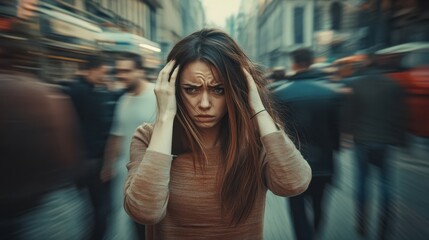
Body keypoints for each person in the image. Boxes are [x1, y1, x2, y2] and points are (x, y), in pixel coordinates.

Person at [123, 29, 312, 239]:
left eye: (218, 90)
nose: (204, 104)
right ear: (173, 89)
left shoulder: (256, 139)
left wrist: (258, 107)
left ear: (234, 90)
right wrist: (165, 118)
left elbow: (295, 184)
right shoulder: (148, 138)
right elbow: (144, 211)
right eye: (191, 89)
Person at [0, 16, 83, 239]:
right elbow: (70, 160)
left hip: (35, 212)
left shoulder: (17, 92)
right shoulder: (51, 95)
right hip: (53, 208)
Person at [271, 48, 340, 240]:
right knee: (319, 205)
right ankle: (315, 234)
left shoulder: (280, 94)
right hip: (324, 163)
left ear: (294, 64)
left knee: (297, 209)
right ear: (312, 61)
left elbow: (276, 132)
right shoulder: (330, 93)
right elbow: (336, 134)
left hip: (294, 163)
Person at [345, 55, 406, 239]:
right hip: (385, 141)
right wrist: (401, 139)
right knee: (386, 182)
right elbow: (400, 115)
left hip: (362, 140)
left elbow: (349, 114)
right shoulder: (393, 85)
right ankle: (385, 220)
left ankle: (362, 220)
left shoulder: (356, 85)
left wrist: (347, 134)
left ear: (365, 65)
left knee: (362, 181)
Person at [101, 53, 157, 239]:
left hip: (150, 175)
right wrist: (108, 165)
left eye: (126, 70)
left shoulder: (157, 96)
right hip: (124, 175)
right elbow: (116, 136)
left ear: (140, 71)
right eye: (118, 71)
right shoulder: (123, 101)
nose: (121, 75)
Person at [65, 55, 119, 240]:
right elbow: (101, 123)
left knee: (90, 206)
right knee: (101, 207)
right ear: (91, 70)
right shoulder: (83, 92)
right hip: (93, 159)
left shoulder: (77, 89)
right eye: (103, 73)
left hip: (83, 159)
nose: (105, 77)